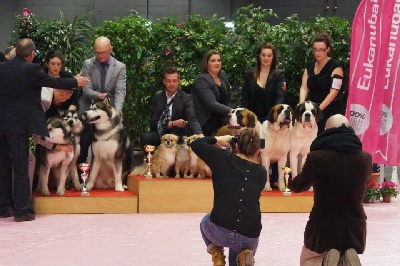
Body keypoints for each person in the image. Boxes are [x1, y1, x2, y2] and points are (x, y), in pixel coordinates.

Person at [0, 38, 89, 222]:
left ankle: (3, 207)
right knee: (21, 168)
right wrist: (75, 81)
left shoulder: (2, 68)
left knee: (3, 167)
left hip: (2, 124)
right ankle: (21, 210)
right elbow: (51, 81)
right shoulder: (31, 70)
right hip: (18, 126)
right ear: (31, 54)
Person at [290, 114, 372, 266]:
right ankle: (345, 259)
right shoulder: (366, 158)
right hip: (355, 226)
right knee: (343, 255)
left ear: (326, 131)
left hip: (323, 227)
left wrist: (289, 176)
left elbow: (299, 186)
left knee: (309, 259)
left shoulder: (316, 157)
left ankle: (325, 262)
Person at [191, 128, 267, 266]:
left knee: (205, 221)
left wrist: (218, 139)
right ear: (257, 151)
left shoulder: (222, 158)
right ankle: (243, 256)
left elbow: (196, 144)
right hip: (250, 234)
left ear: (236, 146)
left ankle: (216, 253)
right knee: (239, 249)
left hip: (220, 231)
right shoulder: (262, 172)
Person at [241, 43, 286, 188]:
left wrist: (275, 119)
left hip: (271, 120)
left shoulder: (279, 75)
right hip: (254, 120)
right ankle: (257, 178)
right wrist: (248, 121)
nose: (266, 58)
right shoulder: (249, 74)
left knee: (276, 149)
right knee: (258, 150)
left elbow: (280, 98)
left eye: (269, 55)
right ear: (259, 56)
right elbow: (245, 98)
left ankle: (275, 179)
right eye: (263, 55)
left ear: (273, 58)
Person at [78, 36, 126, 165]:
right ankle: (80, 176)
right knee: (83, 140)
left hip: (109, 110)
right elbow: (86, 90)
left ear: (111, 49)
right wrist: (99, 96)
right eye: (97, 53)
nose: (100, 56)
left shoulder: (120, 67)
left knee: (121, 140)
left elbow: (120, 91)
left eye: (104, 53)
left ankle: (120, 176)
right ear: (94, 49)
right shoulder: (87, 64)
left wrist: (117, 111)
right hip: (89, 108)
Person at [141, 66, 203, 148]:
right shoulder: (157, 97)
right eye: (168, 81)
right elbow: (153, 124)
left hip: (179, 135)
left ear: (179, 81)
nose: (171, 84)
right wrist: (172, 124)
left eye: (174, 81)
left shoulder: (187, 98)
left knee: (190, 139)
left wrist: (199, 133)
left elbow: (192, 118)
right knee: (147, 138)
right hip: (161, 134)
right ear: (164, 81)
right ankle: (150, 159)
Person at [299, 34, 345, 134]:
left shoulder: (335, 66)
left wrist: (318, 110)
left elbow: (333, 93)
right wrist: (301, 105)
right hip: (312, 108)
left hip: (330, 110)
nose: (317, 53)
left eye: (321, 50)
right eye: (315, 49)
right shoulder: (310, 65)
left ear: (328, 49)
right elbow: (304, 87)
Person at [192, 50, 234, 136]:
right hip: (206, 123)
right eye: (213, 61)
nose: (217, 63)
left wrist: (230, 118)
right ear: (206, 63)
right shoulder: (201, 80)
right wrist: (231, 111)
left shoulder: (222, 74)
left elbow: (228, 98)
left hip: (222, 121)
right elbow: (211, 104)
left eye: (219, 60)